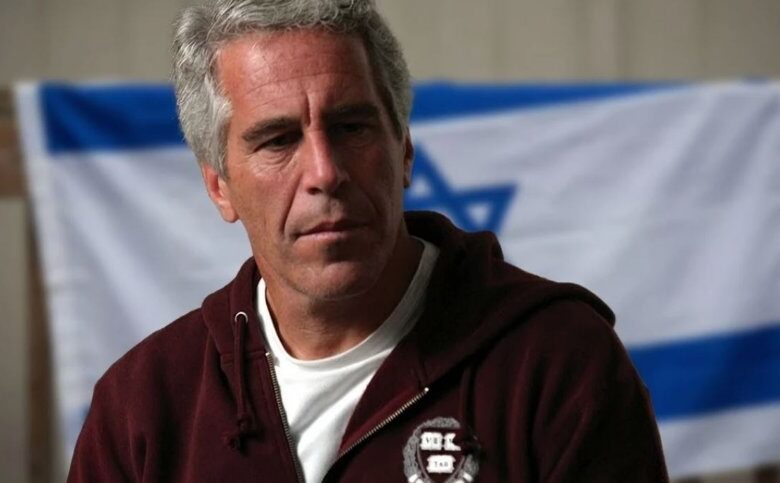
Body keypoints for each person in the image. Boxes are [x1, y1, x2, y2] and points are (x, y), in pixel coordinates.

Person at [68, 0, 669, 481]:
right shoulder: (141, 407)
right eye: (278, 140)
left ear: (403, 150)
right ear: (219, 187)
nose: (325, 172)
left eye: (351, 126)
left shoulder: (557, 362)